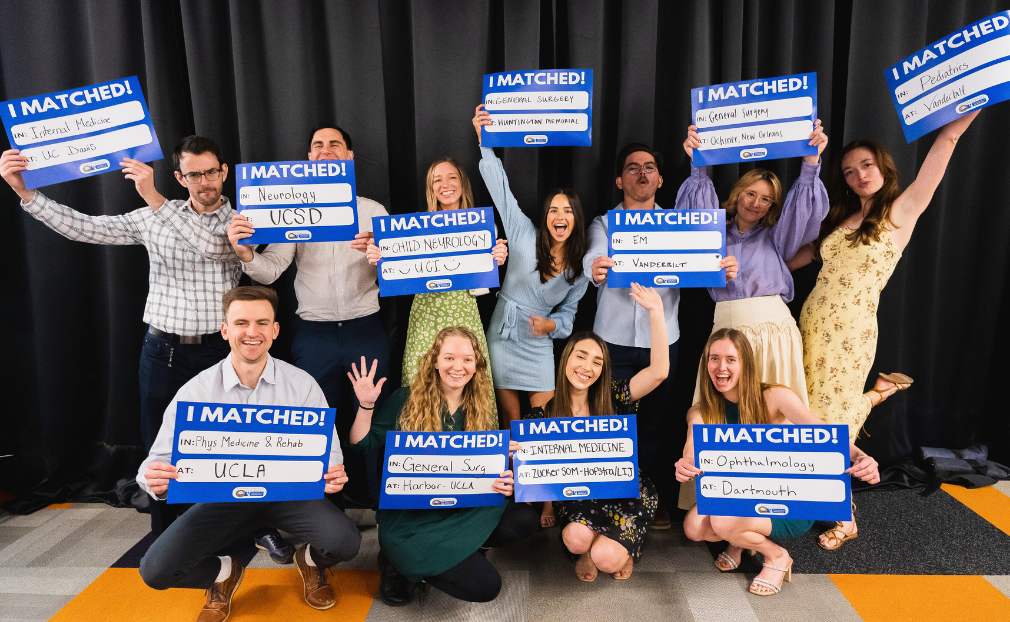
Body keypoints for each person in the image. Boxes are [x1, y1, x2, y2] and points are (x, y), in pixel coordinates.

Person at [788, 110, 979, 549]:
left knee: (830, 419)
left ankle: (846, 513)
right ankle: (875, 397)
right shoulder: (841, 218)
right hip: (810, 326)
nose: (858, 176)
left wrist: (970, 103)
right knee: (800, 410)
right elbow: (795, 259)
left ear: (883, 167)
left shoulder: (902, 211)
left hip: (851, 333)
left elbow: (945, 145)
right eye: (850, 171)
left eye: (866, 166)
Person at [1, 136, 240, 453]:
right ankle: (163, 503)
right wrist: (25, 192)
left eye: (210, 172)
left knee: (222, 440)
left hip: (221, 349)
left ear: (223, 171)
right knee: (160, 442)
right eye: (194, 175)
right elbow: (87, 228)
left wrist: (155, 199)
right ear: (180, 178)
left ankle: (215, 505)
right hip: (163, 351)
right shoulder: (152, 217)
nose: (205, 182)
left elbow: (212, 247)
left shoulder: (242, 221)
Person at [137, 286, 361, 620]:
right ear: (225, 330)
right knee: (154, 571)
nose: (251, 332)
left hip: (288, 495)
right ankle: (223, 573)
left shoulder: (302, 384)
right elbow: (156, 460)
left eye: (261, 323)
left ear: (275, 330)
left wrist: (333, 472)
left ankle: (310, 561)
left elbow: (329, 452)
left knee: (346, 543)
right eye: (241, 323)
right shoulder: (197, 390)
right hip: (223, 498)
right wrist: (152, 478)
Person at [227, 123, 390, 519]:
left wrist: (384, 256)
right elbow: (271, 271)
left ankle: (379, 507)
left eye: (336, 144)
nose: (326, 149)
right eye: (318, 145)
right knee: (315, 424)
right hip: (313, 335)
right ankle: (323, 513)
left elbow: (401, 278)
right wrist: (245, 254)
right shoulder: (290, 214)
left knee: (374, 419)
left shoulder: (374, 211)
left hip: (365, 330)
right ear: (309, 159)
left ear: (349, 158)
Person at [584, 143, 738, 529]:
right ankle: (605, 495)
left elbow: (706, 264)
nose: (641, 174)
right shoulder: (604, 223)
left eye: (649, 168)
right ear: (620, 180)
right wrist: (595, 267)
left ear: (660, 179)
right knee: (610, 421)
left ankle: (647, 493)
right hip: (611, 343)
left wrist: (723, 268)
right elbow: (594, 255)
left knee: (654, 424)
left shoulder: (683, 226)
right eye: (632, 168)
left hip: (662, 341)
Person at [675, 328, 880, 596]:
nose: (720, 367)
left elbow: (822, 433)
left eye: (730, 359)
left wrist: (861, 456)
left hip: (787, 500)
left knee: (722, 521)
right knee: (693, 528)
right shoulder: (701, 410)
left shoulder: (775, 396)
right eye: (714, 358)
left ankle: (776, 556)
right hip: (739, 496)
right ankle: (742, 538)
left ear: (746, 363)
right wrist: (686, 462)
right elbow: (692, 444)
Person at [346, 326, 538, 604]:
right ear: (434, 361)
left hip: (459, 510)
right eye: (449, 358)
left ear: (476, 365)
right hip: (411, 521)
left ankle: (458, 552)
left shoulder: (480, 405)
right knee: (486, 588)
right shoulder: (406, 399)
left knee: (524, 519)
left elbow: (481, 473)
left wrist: (502, 475)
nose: (458, 366)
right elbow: (361, 442)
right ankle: (399, 564)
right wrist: (365, 405)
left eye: (467, 359)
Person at [679, 120, 829, 406]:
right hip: (725, 332)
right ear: (738, 193)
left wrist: (811, 161)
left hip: (773, 330)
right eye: (751, 194)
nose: (756, 203)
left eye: (766, 200)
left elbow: (801, 209)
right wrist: (697, 159)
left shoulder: (777, 237)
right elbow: (697, 207)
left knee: (778, 411)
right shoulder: (713, 232)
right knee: (722, 412)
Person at [527, 283, 669, 581]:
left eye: (597, 361)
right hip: (580, 498)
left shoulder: (617, 396)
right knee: (575, 538)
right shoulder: (542, 414)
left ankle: (620, 550)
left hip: (626, 492)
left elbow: (659, 372)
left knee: (606, 559)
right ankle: (587, 549)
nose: (587, 367)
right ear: (566, 358)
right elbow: (536, 473)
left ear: (603, 370)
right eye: (580, 356)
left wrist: (656, 311)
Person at [472, 104, 590, 433]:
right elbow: (502, 192)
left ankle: (540, 485)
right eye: (553, 210)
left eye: (567, 211)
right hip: (503, 334)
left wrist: (551, 324)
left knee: (548, 423)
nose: (559, 217)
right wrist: (484, 142)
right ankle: (513, 485)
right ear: (546, 216)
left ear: (575, 219)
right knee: (511, 426)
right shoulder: (524, 233)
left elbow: (568, 316)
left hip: (538, 345)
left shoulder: (579, 270)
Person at [364, 159, 507, 414]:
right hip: (426, 314)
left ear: (462, 182)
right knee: (421, 381)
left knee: (470, 382)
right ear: (431, 188)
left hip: (464, 314)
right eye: (436, 179)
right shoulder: (414, 228)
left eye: (452, 177)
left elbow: (485, 272)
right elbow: (394, 269)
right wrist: (380, 258)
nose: (445, 184)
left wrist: (497, 257)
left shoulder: (483, 226)